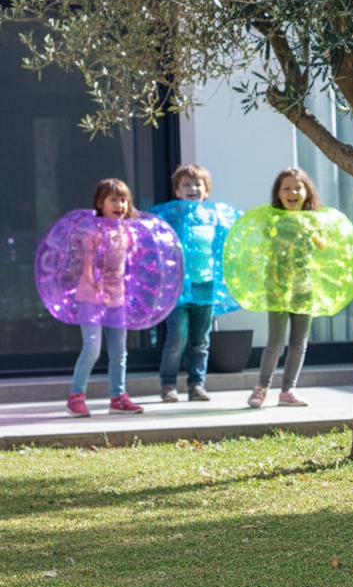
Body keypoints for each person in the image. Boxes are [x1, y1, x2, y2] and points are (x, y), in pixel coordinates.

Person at [152, 164, 238, 403]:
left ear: (206, 190)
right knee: (177, 339)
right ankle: (168, 384)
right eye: (186, 185)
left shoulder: (214, 217)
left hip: (205, 286)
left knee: (201, 341)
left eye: (197, 184)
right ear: (177, 191)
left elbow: (223, 246)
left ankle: (197, 385)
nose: (192, 189)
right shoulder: (171, 216)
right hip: (177, 289)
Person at [248, 168, 325, 408]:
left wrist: (312, 232)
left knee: (299, 343)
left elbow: (323, 248)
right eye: (287, 188)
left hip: (304, 288)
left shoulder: (313, 220)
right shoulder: (273, 221)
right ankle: (262, 388)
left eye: (298, 188)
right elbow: (263, 250)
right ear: (278, 194)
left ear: (307, 192)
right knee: (276, 342)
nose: (293, 192)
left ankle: (288, 391)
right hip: (278, 288)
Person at [66, 179, 144, 416]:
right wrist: (93, 284)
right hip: (90, 295)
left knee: (119, 351)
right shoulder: (93, 230)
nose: (119, 205)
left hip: (117, 297)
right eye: (113, 200)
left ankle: (118, 398)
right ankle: (76, 396)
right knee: (92, 347)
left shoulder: (126, 232)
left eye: (123, 200)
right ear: (100, 203)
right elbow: (87, 263)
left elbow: (130, 265)